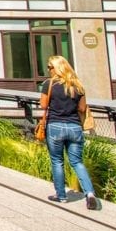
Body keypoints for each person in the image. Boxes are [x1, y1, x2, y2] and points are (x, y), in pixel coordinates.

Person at [40, 55, 99, 209]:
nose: (48, 70)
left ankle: (61, 195)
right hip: (74, 127)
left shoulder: (49, 84)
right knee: (77, 162)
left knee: (57, 161)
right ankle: (90, 193)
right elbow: (82, 108)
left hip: (55, 126)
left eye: (49, 67)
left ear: (56, 68)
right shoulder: (78, 85)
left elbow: (43, 105)